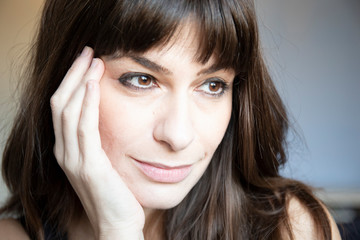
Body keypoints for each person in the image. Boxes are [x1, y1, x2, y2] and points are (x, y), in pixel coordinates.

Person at [0, 0, 341, 239]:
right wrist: (118, 231)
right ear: (67, 82)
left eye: (212, 85)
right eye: (142, 80)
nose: (178, 136)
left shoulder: (291, 228)